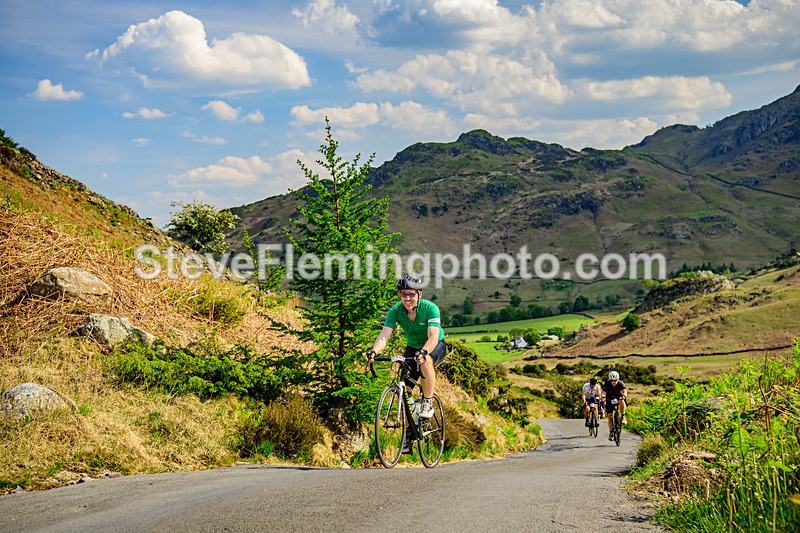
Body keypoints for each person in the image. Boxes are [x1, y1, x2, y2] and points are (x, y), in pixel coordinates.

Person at [365, 274, 447, 422]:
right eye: (404, 294)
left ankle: (427, 401)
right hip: (412, 347)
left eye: (411, 294)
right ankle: (409, 434)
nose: (407, 298)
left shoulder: (430, 308)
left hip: (435, 344)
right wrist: (374, 351)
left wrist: (424, 352)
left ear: (419, 294)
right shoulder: (396, 310)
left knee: (425, 360)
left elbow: (433, 336)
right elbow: (385, 335)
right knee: (404, 390)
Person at [601, 370, 628, 440]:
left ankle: (623, 416)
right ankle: (611, 432)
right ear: (610, 380)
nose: (614, 382)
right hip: (609, 398)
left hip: (618, 396)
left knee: (622, 401)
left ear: (618, 379)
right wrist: (603, 397)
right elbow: (603, 392)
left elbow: (624, 390)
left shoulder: (620, 383)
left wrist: (624, 396)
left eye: (615, 380)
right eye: (612, 380)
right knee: (610, 416)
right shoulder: (607, 384)